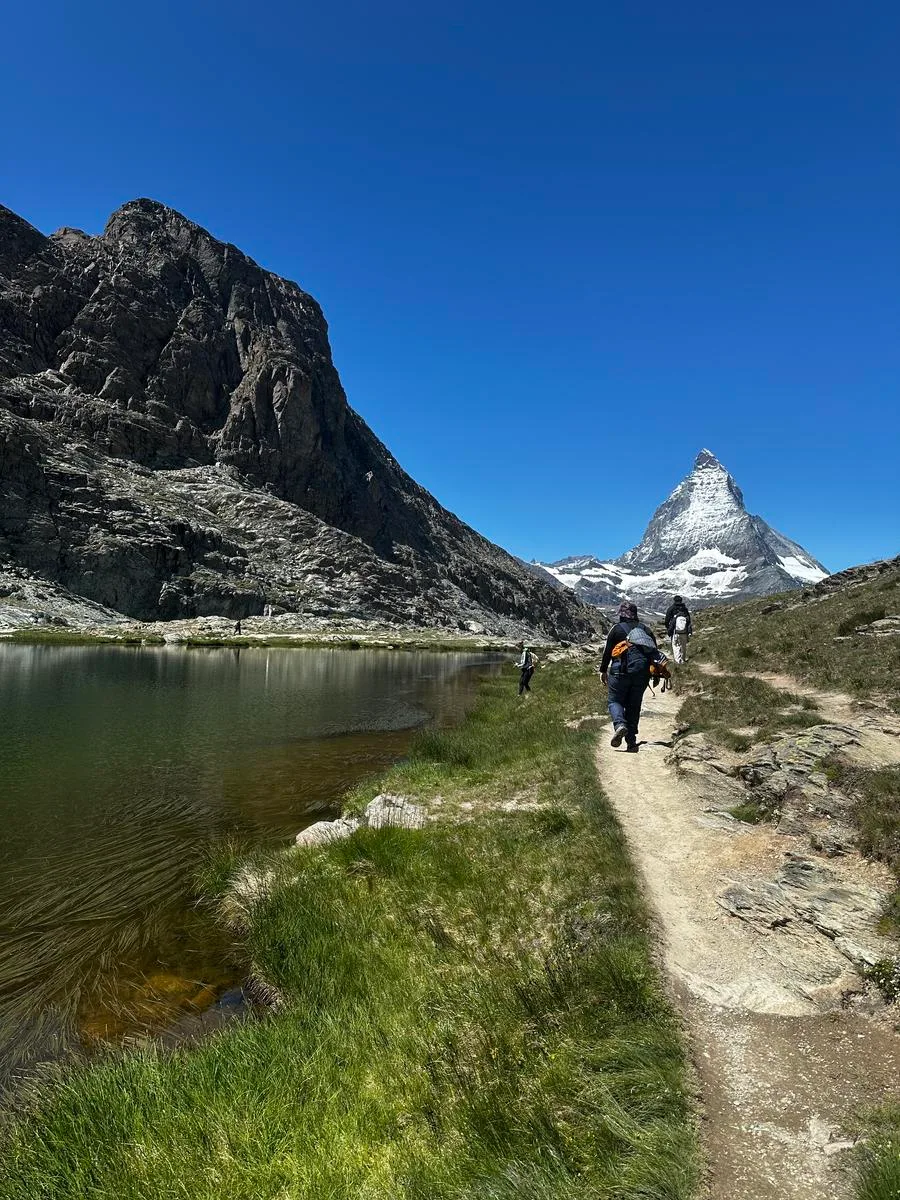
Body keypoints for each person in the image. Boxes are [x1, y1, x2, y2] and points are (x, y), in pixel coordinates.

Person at [600, 601, 665, 752]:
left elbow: (607, 652)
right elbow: (654, 653)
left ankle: (620, 724)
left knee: (614, 700)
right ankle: (631, 742)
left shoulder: (616, 630)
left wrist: (603, 671)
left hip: (619, 672)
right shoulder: (646, 630)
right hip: (641, 674)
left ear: (621, 615)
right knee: (634, 706)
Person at [664, 595, 692, 664]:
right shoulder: (685, 609)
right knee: (683, 646)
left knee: (676, 646)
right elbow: (688, 620)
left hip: (675, 631)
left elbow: (666, 620)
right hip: (684, 631)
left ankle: (678, 662)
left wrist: (669, 628)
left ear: (674, 600)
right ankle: (683, 660)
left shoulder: (671, 608)